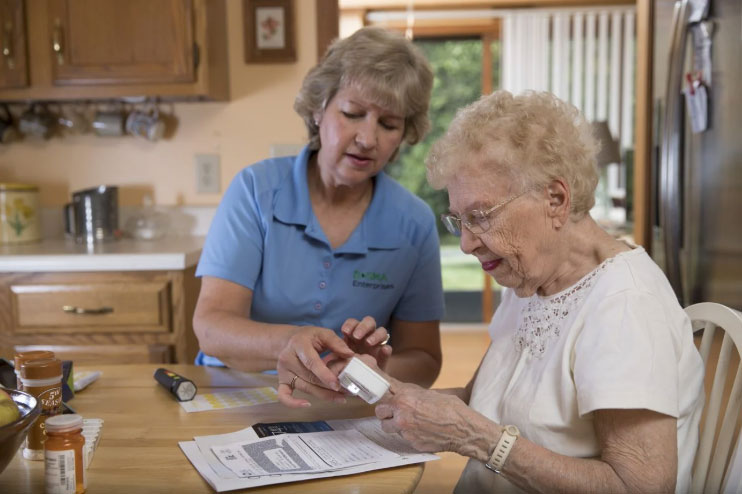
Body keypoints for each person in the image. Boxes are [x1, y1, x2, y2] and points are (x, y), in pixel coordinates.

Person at [369, 90, 704, 493]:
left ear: (556, 199)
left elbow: (639, 488)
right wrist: (380, 387)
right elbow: (476, 403)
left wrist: (478, 439)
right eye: (459, 220)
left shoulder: (625, 305)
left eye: (480, 216)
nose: (466, 243)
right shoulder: (531, 279)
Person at [192, 27, 444, 408]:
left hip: (343, 404)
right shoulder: (255, 191)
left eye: (388, 124)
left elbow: (424, 359)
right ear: (317, 108)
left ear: (404, 134)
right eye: (353, 114)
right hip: (235, 393)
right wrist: (289, 343)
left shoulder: (414, 222)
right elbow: (211, 327)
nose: (367, 138)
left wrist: (371, 370)